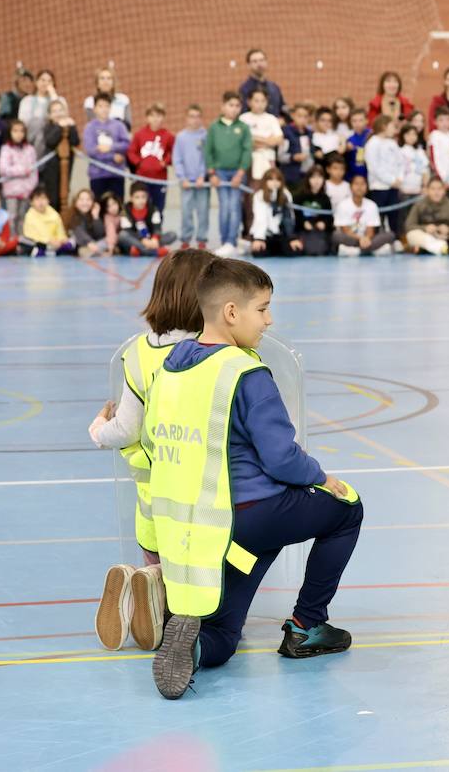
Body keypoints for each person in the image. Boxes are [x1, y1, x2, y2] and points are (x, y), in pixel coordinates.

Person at [145, 258, 362, 699]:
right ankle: (307, 625)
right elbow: (281, 458)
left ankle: (195, 649)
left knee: (224, 634)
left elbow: (153, 443)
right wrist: (322, 477)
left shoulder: (171, 367)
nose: (269, 320)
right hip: (252, 515)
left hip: (201, 527)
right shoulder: (245, 372)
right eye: (262, 309)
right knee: (346, 510)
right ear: (231, 312)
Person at [87, 248, 218, 653]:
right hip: (202, 496)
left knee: (160, 555)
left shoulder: (138, 354)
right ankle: (165, 596)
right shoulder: (215, 352)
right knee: (203, 591)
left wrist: (97, 429)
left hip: (152, 495)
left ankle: (148, 579)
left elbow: (126, 428)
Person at [204, 92, 252, 255]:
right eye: (230, 105)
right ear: (223, 106)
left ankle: (231, 240)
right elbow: (208, 151)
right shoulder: (214, 127)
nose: (234, 109)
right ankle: (225, 240)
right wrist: (212, 173)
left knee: (234, 206)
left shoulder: (243, 128)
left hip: (237, 173)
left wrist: (240, 172)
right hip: (220, 173)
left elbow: (247, 151)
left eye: (237, 106)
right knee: (225, 206)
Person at [174, 104, 210, 250]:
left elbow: (206, 158)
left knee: (203, 211)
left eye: (197, 116)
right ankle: (186, 238)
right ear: (186, 118)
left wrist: (202, 176)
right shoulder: (181, 137)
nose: (194, 120)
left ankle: (202, 239)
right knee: (186, 211)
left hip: (202, 183)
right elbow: (177, 159)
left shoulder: (205, 136)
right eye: (191, 116)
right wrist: (183, 178)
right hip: (186, 183)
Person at [332, 175, 396, 257]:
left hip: (368, 239)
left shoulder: (372, 205)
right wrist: (360, 239)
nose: (359, 187)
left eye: (362, 184)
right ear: (351, 187)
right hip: (352, 238)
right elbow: (345, 230)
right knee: (336, 236)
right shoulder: (343, 205)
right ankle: (371, 250)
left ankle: (356, 250)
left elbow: (371, 230)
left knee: (390, 235)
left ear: (367, 187)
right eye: (356, 184)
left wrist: (366, 238)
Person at [83, 93, 131, 202]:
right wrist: (112, 157)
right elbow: (91, 150)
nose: (104, 109)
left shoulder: (119, 126)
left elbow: (126, 144)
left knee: (117, 205)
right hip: (97, 175)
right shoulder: (89, 128)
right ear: (94, 109)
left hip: (116, 173)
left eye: (106, 106)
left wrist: (110, 147)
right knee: (99, 207)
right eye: (100, 106)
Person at [404, 176, 449, 255]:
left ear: (444, 190)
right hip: (427, 237)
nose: (436, 192)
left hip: (447, 237)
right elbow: (409, 226)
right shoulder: (419, 205)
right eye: (433, 189)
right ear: (427, 190)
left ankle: (428, 249)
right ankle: (447, 248)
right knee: (412, 235)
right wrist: (425, 228)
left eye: (439, 189)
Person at [128, 103, 175, 212]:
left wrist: (165, 162)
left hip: (160, 179)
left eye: (158, 116)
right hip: (142, 179)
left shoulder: (168, 135)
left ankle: (157, 229)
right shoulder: (139, 134)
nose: (155, 119)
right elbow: (131, 152)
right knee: (142, 208)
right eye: (152, 116)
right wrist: (139, 163)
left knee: (158, 208)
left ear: (163, 117)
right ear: (147, 117)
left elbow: (174, 153)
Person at [362, 114, 403, 234]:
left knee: (394, 215)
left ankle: (394, 237)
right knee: (379, 216)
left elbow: (400, 163)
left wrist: (399, 179)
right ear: (383, 126)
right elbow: (374, 168)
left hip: (394, 186)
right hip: (379, 187)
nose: (394, 129)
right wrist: (390, 180)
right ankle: (378, 238)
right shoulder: (372, 143)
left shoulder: (392, 143)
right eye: (392, 126)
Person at [249, 168, 302, 257]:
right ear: (265, 181)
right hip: (265, 234)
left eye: (278, 179)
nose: (274, 182)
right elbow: (260, 218)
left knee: (294, 251)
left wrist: (292, 238)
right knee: (258, 252)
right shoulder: (259, 195)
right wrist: (259, 238)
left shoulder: (286, 194)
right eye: (271, 179)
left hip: (281, 233)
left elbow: (289, 217)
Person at [39, 98, 80, 210]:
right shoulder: (49, 127)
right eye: (54, 111)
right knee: (53, 196)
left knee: (65, 191)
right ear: (50, 115)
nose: (58, 113)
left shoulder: (69, 125)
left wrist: (71, 128)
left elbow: (75, 141)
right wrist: (59, 127)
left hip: (66, 165)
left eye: (60, 110)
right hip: (51, 168)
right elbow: (50, 141)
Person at [0, 119, 39, 225]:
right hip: (11, 191)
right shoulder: (6, 149)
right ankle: (12, 239)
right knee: (12, 217)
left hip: (26, 191)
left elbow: (34, 171)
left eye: (21, 131)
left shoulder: (30, 149)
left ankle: (22, 239)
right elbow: (3, 169)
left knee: (24, 217)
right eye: (15, 131)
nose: (19, 134)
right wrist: (22, 171)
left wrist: (29, 188)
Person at [120, 182, 175, 257]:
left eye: (143, 197)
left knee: (172, 235)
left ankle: (139, 251)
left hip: (152, 239)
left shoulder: (153, 209)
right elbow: (128, 230)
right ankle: (155, 252)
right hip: (137, 239)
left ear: (147, 197)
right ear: (131, 198)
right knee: (122, 235)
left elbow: (157, 227)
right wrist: (143, 240)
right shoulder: (125, 210)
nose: (141, 200)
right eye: (137, 197)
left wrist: (155, 239)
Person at [21, 187, 77, 256]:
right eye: (37, 199)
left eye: (43, 198)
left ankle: (47, 252)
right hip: (40, 243)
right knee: (23, 241)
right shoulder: (29, 215)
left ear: (48, 200)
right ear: (31, 202)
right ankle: (52, 252)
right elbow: (29, 235)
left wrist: (61, 240)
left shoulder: (54, 214)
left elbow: (60, 232)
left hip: (55, 243)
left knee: (72, 242)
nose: (41, 202)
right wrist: (48, 241)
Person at [290, 166, 331, 256]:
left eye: (320, 177)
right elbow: (295, 215)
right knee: (309, 250)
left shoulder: (325, 198)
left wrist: (324, 223)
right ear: (308, 179)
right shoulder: (299, 196)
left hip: (319, 231)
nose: (317, 181)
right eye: (313, 177)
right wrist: (303, 223)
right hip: (303, 231)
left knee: (321, 249)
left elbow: (329, 218)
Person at [237, 48, 285, 117]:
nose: (259, 64)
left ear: (266, 62)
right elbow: (243, 113)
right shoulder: (244, 89)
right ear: (248, 65)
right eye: (255, 61)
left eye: (261, 60)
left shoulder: (274, 87)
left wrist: (283, 119)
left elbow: (283, 108)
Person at [18, 69, 60, 149]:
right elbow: (23, 122)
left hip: (53, 136)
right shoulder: (27, 100)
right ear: (37, 82)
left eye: (49, 81)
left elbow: (60, 116)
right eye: (43, 80)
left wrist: (53, 94)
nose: (46, 83)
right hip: (32, 137)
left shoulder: (59, 100)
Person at [64, 188, 110, 257]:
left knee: (106, 242)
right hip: (81, 245)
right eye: (81, 200)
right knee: (82, 250)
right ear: (75, 202)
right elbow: (79, 232)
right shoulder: (73, 216)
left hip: (94, 244)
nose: (85, 202)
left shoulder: (92, 214)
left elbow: (99, 234)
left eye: (88, 200)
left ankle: (97, 251)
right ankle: (98, 252)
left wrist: (96, 217)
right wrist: (89, 242)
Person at [397, 123, 430, 212]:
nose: (411, 137)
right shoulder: (399, 151)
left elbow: (425, 171)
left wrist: (424, 186)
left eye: (414, 134)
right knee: (403, 217)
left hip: (418, 191)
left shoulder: (420, 152)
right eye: (408, 134)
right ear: (402, 135)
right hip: (404, 191)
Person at [278, 102, 313, 185]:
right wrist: (293, 157)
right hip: (290, 175)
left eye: (305, 117)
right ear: (293, 115)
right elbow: (280, 156)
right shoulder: (286, 132)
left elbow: (311, 152)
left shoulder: (309, 133)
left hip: (306, 175)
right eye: (299, 116)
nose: (302, 119)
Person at [345, 110, 370, 182]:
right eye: (354, 121)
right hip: (354, 177)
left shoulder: (372, 136)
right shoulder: (349, 140)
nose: (357, 123)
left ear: (366, 121)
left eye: (360, 120)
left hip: (369, 176)